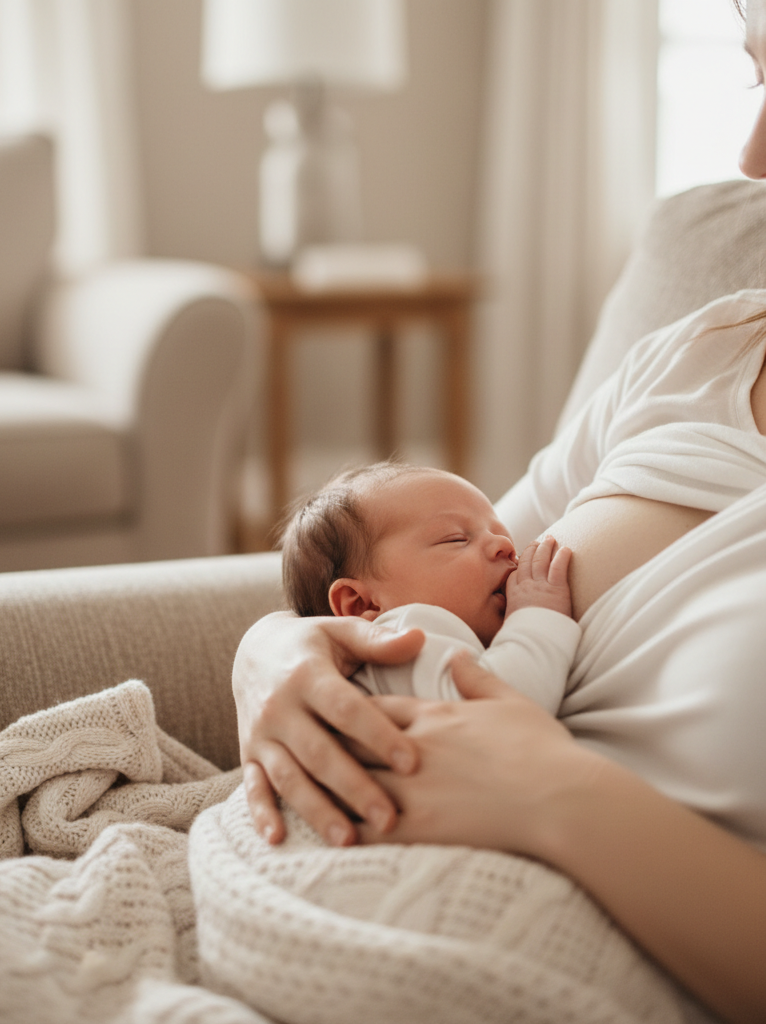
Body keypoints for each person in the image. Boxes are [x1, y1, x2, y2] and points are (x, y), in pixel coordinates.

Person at [231, 4, 766, 1022]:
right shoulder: (699, 355)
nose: (751, 158)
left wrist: (553, 792)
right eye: (754, 78)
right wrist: (274, 653)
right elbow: (420, 566)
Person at [281, 461, 578, 712]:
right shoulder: (403, 633)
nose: (505, 546)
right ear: (362, 604)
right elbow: (506, 710)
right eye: (456, 539)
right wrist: (536, 615)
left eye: (502, 534)